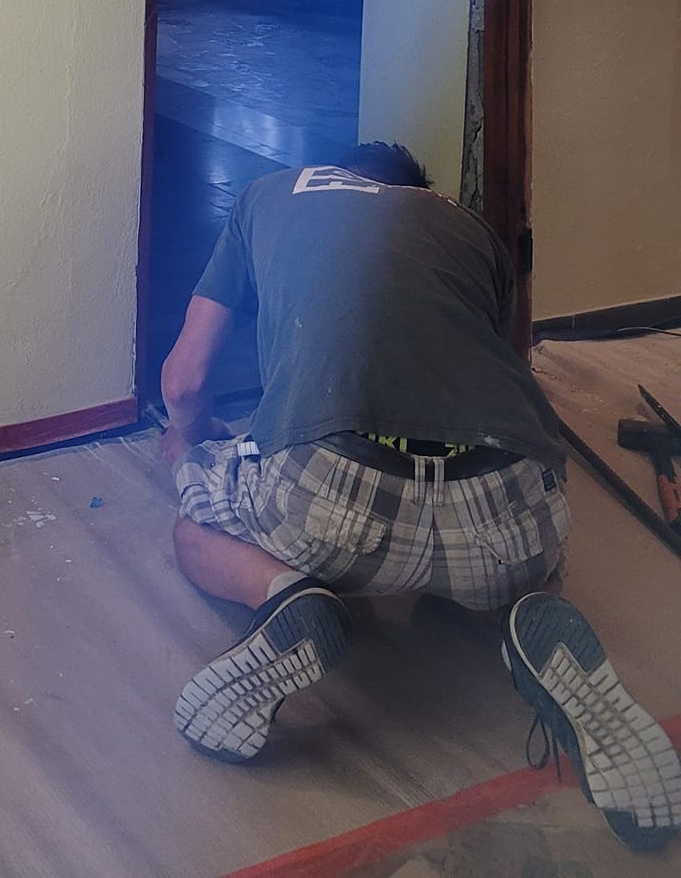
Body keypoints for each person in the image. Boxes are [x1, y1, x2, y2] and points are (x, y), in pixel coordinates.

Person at [160, 141, 681, 852]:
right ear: (422, 192)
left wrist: (192, 446)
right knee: (510, 566)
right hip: (509, 495)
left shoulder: (270, 193)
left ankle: (287, 598)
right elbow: (493, 365)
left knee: (193, 521)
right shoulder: (474, 234)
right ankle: (527, 615)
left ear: (337, 173)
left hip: (333, 494)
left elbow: (184, 381)